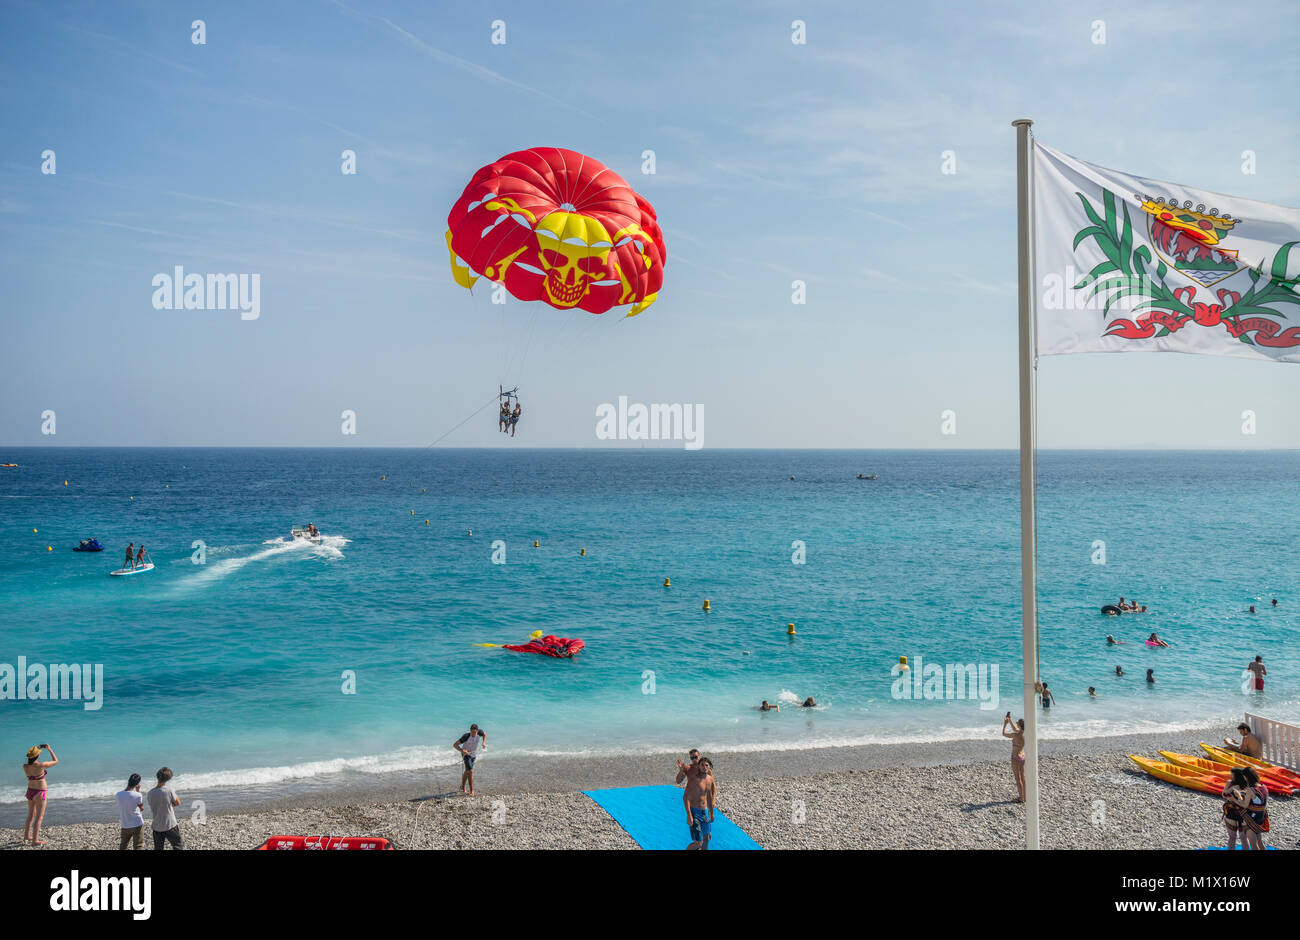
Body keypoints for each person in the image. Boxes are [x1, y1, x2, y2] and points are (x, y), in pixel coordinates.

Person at [1223, 766, 1268, 850]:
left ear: (1247, 777)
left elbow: (1244, 804)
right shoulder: (1263, 787)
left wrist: (1236, 797)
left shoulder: (1251, 790)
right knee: (1259, 842)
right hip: (1260, 817)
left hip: (1250, 819)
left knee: (1253, 844)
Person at [22, 744, 57, 845]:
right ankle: (35, 840)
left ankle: (27, 836)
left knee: (30, 815)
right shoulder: (41, 765)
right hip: (39, 792)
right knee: (39, 817)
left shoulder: (25, 766)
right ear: (37, 756)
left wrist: (37, 749)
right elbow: (55, 761)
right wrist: (49, 749)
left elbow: (32, 758)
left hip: (30, 791)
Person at [683, 756, 716, 850]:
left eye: (706, 765)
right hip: (694, 813)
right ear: (698, 766)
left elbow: (709, 796)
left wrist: (711, 813)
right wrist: (689, 814)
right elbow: (685, 797)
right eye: (702, 765)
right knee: (698, 843)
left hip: (704, 813)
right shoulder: (693, 779)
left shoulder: (709, 779)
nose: (704, 767)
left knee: (707, 839)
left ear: (709, 767)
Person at [147, 767, 183, 850]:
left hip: (157, 825)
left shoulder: (150, 793)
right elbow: (177, 802)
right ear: (168, 779)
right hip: (169, 824)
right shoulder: (169, 790)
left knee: (158, 848)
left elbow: (153, 805)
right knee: (178, 846)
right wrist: (169, 805)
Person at [453, 723, 486, 796]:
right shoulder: (466, 736)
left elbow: (484, 734)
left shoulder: (480, 732)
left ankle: (463, 786)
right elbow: (455, 744)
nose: (473, 734)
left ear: (477, 731)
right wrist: (462, 750)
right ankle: (472, 791)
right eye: (472, 732)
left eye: (475, 732)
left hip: (473, 754)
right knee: (470, 771)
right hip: (466, 754)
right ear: (470, 731)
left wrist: (483, 743)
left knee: (467, 770)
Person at [115, 773, 146, 850]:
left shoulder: (118, 794)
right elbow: (142, 808)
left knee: (123, 845)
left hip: (125, 823)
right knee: (138, 846)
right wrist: (138, 791)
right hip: (137, 823)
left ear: (128, 781)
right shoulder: (138, 795)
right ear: (137, 784)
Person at [1002, 714, 1026, 803]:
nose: (1016, 726)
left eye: (1017, 724)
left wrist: (1005, 724)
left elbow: (1004, 734)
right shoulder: (1024, 733)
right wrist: (1009, 720)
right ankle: (1025, 796)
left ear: (1019, 725)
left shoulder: (1016, 735)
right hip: (1022, 756)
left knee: (1018, 778)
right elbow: (1016, 729)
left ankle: (1021, 798)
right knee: (1023, 777)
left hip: (1015, 757)